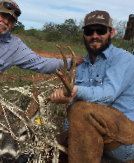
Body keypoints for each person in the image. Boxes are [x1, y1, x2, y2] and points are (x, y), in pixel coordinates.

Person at [50, 10, 134, 163]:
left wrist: (75, 91)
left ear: (112, 32)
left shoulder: (124, 59)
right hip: (93, 138)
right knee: (50, 150)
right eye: (89, 31)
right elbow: (73, 109)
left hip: (126, 140)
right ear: (84, 34)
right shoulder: (81, 67)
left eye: (101, 30)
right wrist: (68, 136)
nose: (94, 36)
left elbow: (108, 94)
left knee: (81, 109)